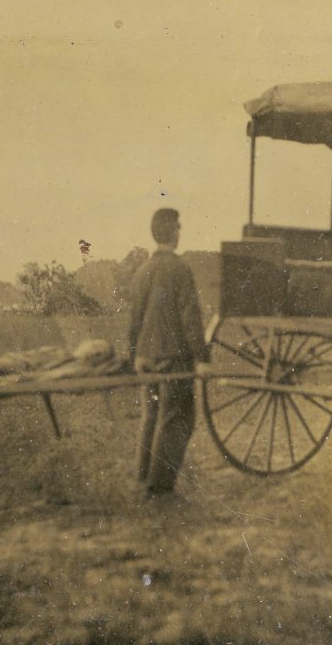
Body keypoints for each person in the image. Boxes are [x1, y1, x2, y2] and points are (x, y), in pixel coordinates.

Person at [128, 208, 210, 496]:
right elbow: (190, 316)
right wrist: (202, 358)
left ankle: (143, 476)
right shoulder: (179, 269)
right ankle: (159, 487)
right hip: (174, 357)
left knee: (151, 415)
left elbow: (134, 318)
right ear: (173, 232)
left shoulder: (143, 270)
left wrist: (135, 355)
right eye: (178, 227)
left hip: (147, 357)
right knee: (178, 418)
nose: (179, 232)